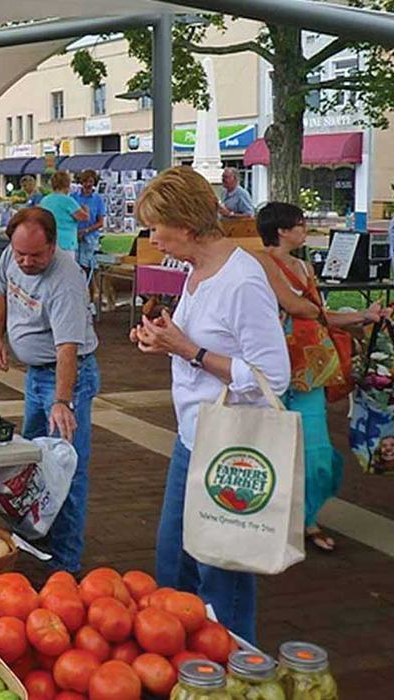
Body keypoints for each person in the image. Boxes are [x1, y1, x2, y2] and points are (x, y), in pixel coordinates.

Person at [130, 166, 290, 643]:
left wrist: (188, 351)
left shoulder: (240, 280)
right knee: (173, 567)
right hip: (193, 440)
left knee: (222, 577)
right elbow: (195, 345)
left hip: (231, 451)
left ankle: (235, 670)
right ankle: (184, 667)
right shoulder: (196, 271)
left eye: (157, 226)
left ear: (186, 225)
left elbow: (273, 377)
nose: (152, 236)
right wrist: (164, 339)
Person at [255, 202, 389, 553]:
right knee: (271, 444)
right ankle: (278, 517)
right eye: (299, 224)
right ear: (281, 230)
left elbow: (316, 314)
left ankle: (304, 515)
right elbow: (299, 307)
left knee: (316, 450)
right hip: (272, 365)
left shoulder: (303, 265)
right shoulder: (261, 261)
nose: (304, 229)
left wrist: (361, 316)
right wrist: (329, 315)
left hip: (309, 368)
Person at [0, 206, 100, 571]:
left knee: (66, 470)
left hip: (67, 377)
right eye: (20, 253)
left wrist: (62, 401)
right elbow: (2, 293)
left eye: (36, 255)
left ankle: (64, 564)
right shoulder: (12, 254)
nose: (26, 261)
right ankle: (36, 539)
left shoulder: (65, 280)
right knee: (31, 465)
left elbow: (67, 347)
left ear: (53, 246)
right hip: (35, 374)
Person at [40, 170, 89, 256]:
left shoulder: (45, 200)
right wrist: (86, 209)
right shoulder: (68, 200)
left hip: (48, 240)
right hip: (66, 242)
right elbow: (84, 217)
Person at [72, 170, 107, 274]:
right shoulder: (73, 197)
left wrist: (86, 231)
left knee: (91, 267)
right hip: (75, 236)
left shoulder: (98, 199)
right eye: (85, 181)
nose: (88, 184)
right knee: (76, 266)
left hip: (91, 237)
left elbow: (100, 222)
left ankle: (93, 288)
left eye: (90, 181)